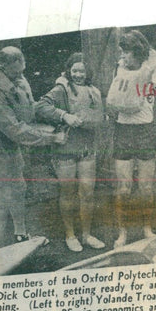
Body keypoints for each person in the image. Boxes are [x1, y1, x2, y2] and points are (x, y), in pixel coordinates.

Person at [0, 46, 66, 249]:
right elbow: (14, 128)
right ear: (2, 67)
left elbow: (27, 113)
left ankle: (21, 234)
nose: (20, 75)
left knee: (19, 187)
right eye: (16, 72)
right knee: (3, 197)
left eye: (22, 70)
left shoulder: (14, 81)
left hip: (7, 140)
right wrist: (51, 138)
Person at [35, 53, 106, 252]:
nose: (78, 75)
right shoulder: (61, 89)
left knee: (87, 193)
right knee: (67, 193)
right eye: (74, 70)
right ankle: (70, 235)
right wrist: (64, 115)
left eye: (82, 71)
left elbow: (99, 117)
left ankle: (86, 234)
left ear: (87, 72)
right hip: (65, 150)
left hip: (87, 150)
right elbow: (40, 106)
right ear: (69, 71)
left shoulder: (94, 91)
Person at [107, 30, 156, 248]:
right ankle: (122, 234)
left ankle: (146, 229)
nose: (124, 56)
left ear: (139, 52)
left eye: (127, 52)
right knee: (123, 188)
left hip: (146, 132)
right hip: (124, 131)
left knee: (145, 188)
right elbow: (113, 101)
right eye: (122, 52)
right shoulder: (121, 70)